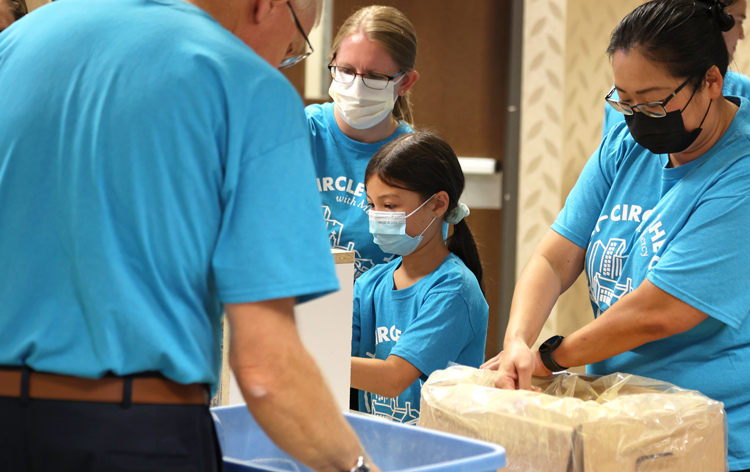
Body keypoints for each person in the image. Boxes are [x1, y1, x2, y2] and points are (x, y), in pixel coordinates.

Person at [0, 0, 378, 471]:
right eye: (290, 49)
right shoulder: (247, 87)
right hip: (132, 435)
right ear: (267, 6)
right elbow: (267, 372)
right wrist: (359, 466)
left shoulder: (19, 42)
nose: (280, 64)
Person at [484, 1, 750, 471]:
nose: (636, 118)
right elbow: (556, 256)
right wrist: (516, 340)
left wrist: (550, 357)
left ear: (711, 83)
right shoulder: (627, 144)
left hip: (736, 440)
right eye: (624, 101)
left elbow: (659, 312)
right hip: (634, 426)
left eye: (654, 102)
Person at [351, 132, 488, 425]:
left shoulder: (453, 289)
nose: (377, 216)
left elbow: (393, 378)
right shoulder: (370, 285)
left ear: (438, 204)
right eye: (372, 205)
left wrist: (304, 362)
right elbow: (336, 349)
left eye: (389, 206)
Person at [307, 5, 420, 280]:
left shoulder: (415, 161)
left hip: (379, 316)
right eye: (345, 70)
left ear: (404, 82)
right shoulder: (301, 133)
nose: (357, 88)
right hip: (298, 310)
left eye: (374, 77)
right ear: (331, 62)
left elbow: (422, 269)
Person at [602, 0, 750, 136]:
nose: (742, 34)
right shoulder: (619, 146)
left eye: (654, 102)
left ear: (712, 82)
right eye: (737, 21)